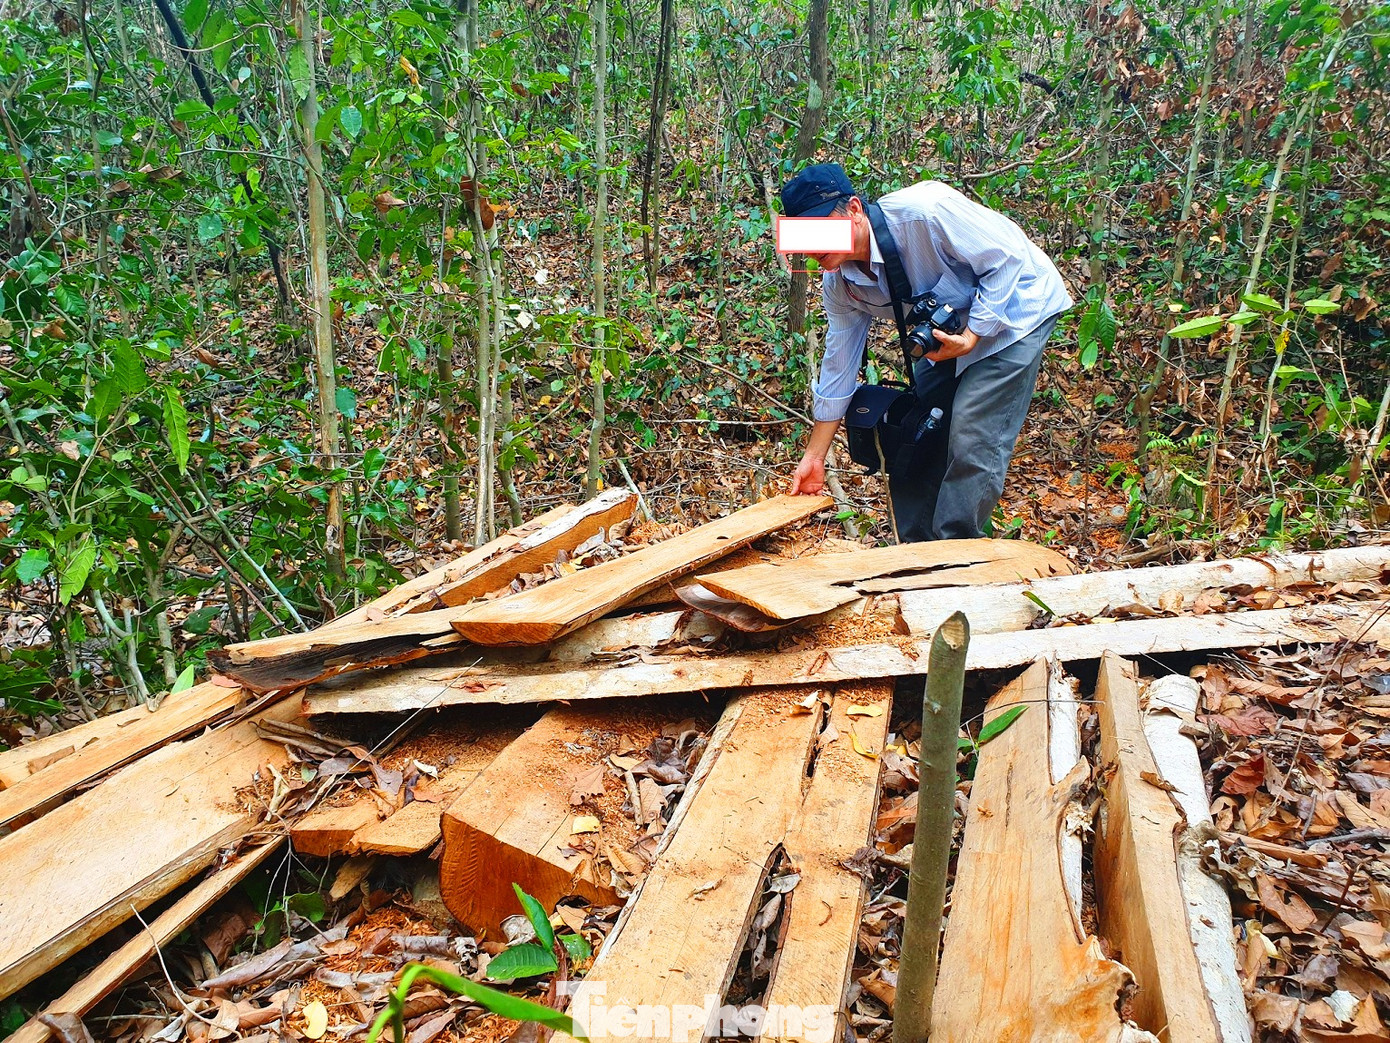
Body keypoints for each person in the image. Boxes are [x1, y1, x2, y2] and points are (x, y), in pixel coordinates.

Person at [782, 163, 1072, 542]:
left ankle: (956, 550)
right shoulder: (840, 285)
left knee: (971, 431)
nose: (811, 247)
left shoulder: (925, 213)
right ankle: (914, 548)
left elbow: (1007, 258)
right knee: (917, 427)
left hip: (1017, 311)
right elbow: (839, 366)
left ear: (853, 210)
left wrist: (973, 335)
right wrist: (815, 456)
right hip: (950, 335)